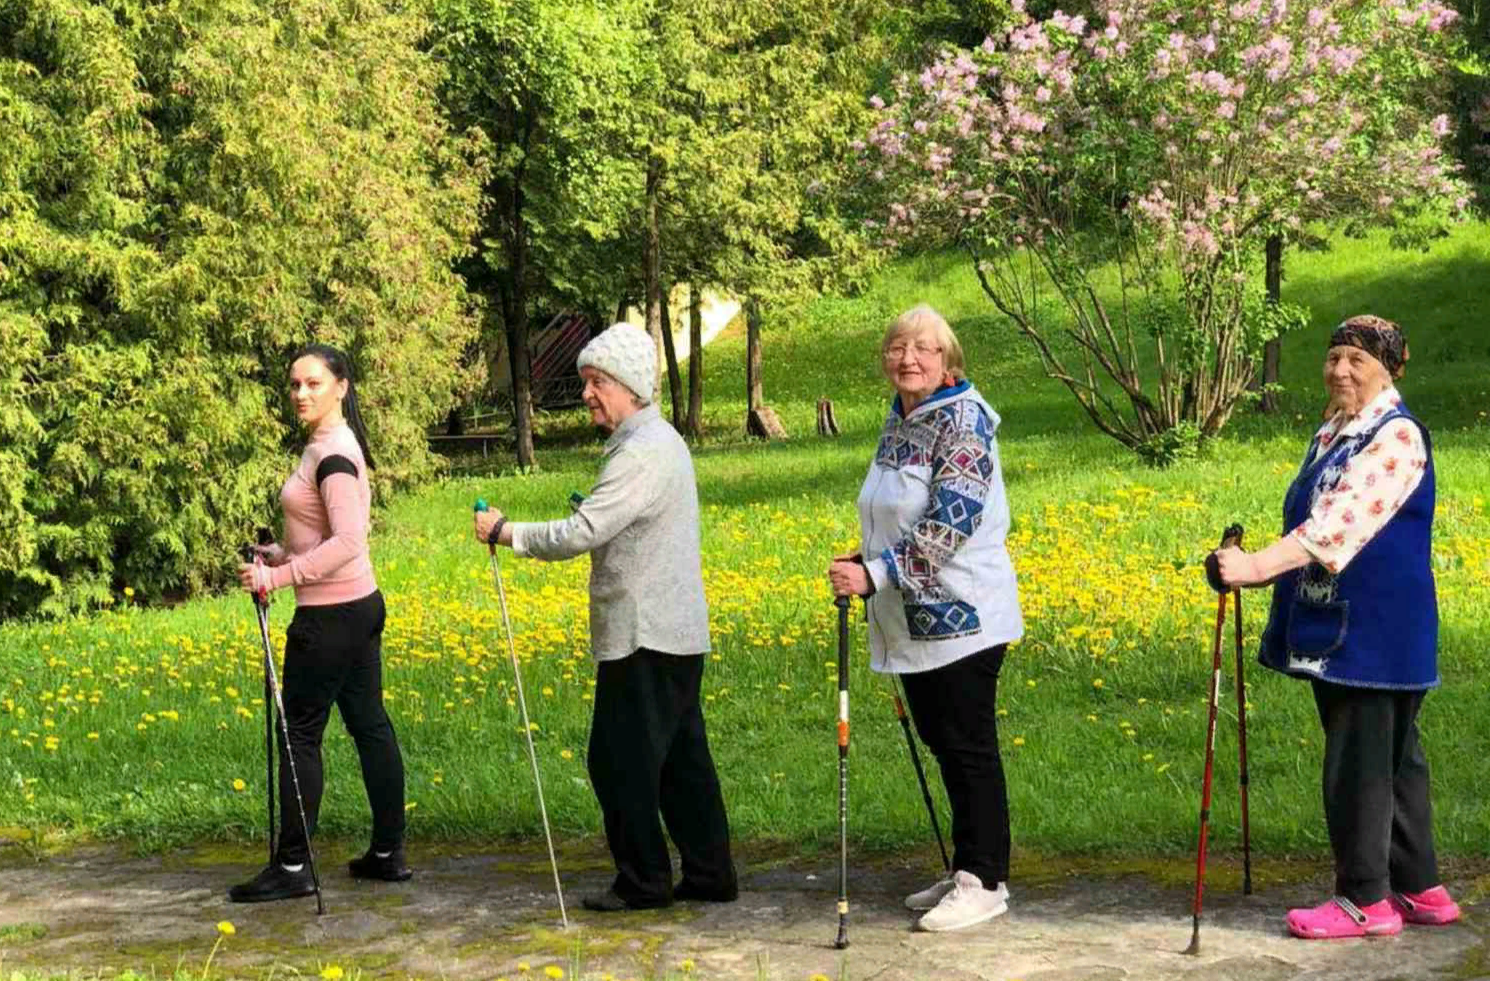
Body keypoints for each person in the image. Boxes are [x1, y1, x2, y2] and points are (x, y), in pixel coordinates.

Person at [473, 322, 737, 912]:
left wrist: (506, 532)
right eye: (586, 381)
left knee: (618, 762)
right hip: (671, 629)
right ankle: (710, 874)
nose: (587, 393)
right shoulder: (653, 441)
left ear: (631, 386)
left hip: (646, 632)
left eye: (597, 382)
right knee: (679, 761)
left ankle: (644, 882)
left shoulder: (641, 452)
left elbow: (583, 531)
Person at [1214, 315, 1460, 939]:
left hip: (1373, 631)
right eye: (1333, 358)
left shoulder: (1395, 435)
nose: (1340, 370)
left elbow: (1335, 527)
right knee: (1393, 756)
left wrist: (1256, 567)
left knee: (1359, 762)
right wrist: (1253, 569)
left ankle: (1364, 899)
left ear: (1389, 369)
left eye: (1357, 360)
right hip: (1358, 626)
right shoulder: (1339, 430)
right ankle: (1419, 886)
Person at [827, 305, 1024, 933]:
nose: (907, 358)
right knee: (945, 742)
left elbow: (951, 519)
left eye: (923, 349)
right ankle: (969, 866)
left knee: (968, 746)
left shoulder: (963, 421)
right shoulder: (903, 417)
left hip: (964, 614)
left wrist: (877, 574)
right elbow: (897, 510)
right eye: (897, 347)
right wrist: (865, 557)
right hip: (916, 617)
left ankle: (985, 881)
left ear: (948, 361)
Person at [229, 344, 411, 903]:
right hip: (357, 607)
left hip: (330, 617)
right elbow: (323, 538)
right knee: (369, 724)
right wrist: (282, 554)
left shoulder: (333, 455)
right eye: (294, 384)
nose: (301, 393)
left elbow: (349, 541)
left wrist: (276, 578)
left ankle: (292, 866)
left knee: (299, 734)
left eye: (313, 383)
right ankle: (387, 854)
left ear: (341, 387)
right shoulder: (329, 445)